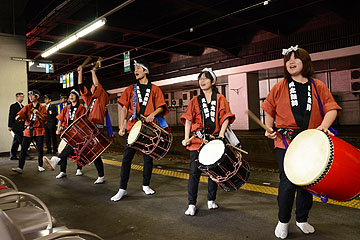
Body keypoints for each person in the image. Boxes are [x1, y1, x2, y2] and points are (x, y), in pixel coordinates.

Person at [261, 46, 342, 239]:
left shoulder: (317, 86)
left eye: (296, 58)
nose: (291, 61)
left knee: (308, 182)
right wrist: (269, 129)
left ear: (305, 62)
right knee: (288, 182)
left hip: (310, 141)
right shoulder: (279, 86)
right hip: (285, 141)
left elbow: (332, 108)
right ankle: (283, 221)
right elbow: (268, 109)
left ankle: (302, 219)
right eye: (288, 59)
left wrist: (323, 126)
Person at [111, 59, 169, 201]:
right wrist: (122, 126)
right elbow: (124, 108)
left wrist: (152, 115)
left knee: (148, 159)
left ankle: (146, 185)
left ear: (146, 71)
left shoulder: (155, 89)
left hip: (149, 129)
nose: (135, 70)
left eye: (138, 68)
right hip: (133, 127)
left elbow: (161, 106)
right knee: (126, 159)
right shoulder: (131, 89)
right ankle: (122, 189)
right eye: (134, 68)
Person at [180, 68, 235, 216]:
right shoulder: (194, 100)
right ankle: (191, 204)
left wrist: (222, 134)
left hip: (213, 141)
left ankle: (211, 199)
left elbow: (226, 118)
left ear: (213, 81)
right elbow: (188, 120)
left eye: (205, 78)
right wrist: (186, 138)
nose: (202, 81)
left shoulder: (220, 98)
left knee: (213, 172)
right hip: (197, 141)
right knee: (194, 173)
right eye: (200, 79)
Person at [76, 63, 109, 184]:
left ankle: (100, 175)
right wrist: (80, 72)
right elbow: (80, 87)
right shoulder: (90, 100)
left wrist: (93, 71)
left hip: (97, 127)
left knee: (94, 152)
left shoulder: (102, 96)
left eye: (93, 87)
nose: (91, 88)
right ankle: (72, 164)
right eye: (91, 88)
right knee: (83, 149)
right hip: (89, 127)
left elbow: (96, 84)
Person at [43, 89, 86, 178]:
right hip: (67, 132)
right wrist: (58, 128)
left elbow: (83, 121)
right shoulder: (66, 108)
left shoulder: (81, 107)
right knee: (63, 150)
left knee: (77, 151)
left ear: (77, 97)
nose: (71, 96)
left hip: (77, 133)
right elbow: (60, 119)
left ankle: (78, 168)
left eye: (73, 95)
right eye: (70, 95)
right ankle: (63, 171)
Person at [12, 90, 47, 173]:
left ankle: (40, 166)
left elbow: (44, 119)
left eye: (32, 95)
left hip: (38, 130)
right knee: (23, 149)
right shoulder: (27, 106)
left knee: (39, 149)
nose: (30, 97)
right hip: (28, 130)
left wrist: (38, 113)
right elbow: (20, 114)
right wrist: (18, 117)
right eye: (29, 95)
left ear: (37, 97)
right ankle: (20, 167)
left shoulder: (42, 107)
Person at [8, 93, 25, 160]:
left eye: (23, 97)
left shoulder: (23, 107)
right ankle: (25, 154)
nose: (22, 98)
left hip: (21, 127)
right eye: (20, 97)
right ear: (17, 98)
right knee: (21, 140)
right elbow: (11, 116)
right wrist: (10, 125)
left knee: (16, 141)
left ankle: (13, 156)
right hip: (15, 126)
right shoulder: (13, 106)